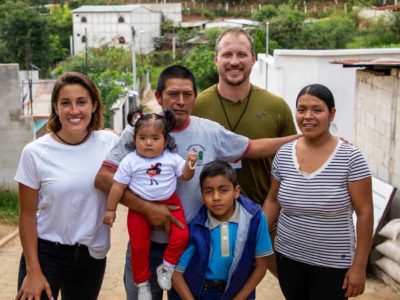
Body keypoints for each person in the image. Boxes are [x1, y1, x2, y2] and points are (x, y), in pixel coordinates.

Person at [94, 65, 300, 299]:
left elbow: (254, 147)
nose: (180, 101)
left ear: (195, 97)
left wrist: (302, 139)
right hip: (146, 247)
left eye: (187, 94)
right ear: (159, 97)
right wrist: (148, 209)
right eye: (173, 94)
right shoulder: (140, 132)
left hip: (190, 251)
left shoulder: (209, 131)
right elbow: (103, 178)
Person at [192, 27, 296, 276]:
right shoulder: (196, 106)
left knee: (294, 283)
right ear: (216, 59)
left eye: (242, 54)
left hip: (267, 218)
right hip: (209, 220)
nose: (234, 61)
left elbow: (295, 160)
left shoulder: (276, 107)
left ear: (253, 59)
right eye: (227, 54)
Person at [263, 84, 373, 300]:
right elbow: (272, 200)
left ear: (332, 114)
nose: (308, 116)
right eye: (302, 109)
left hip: (333, 263)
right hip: (287, 256)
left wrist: (359, 267)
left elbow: (365, 213)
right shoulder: (284, 154)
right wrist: (254, 237)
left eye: (317, 109)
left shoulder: (351, 158)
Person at [14, 72, 119, 300]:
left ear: (93, 105)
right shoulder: (35, 152)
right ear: (56, 107)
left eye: (81, 102)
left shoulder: (110, 144)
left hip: (91, 256)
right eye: (65, 103)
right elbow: (27, 216)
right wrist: (33, 271)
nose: (74, 110)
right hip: (45, 254)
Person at [103, 111, 197, 299]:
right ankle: (142, 282)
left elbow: (185, 176)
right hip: (139, 209)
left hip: (171, 203)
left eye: (155, 138)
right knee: (139, 246)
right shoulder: (130, 161)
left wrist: (190, 165)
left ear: (165, 140)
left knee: (183, 235)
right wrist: (110, 209)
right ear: (134, 139)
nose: (148, 143)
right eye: (142, 138)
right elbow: (117, 187)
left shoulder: (171, 158)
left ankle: (167, 267)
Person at [172, 160, 273, 300]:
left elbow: (261, 266)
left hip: (239, 293)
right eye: (208, 191)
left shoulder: (254, 218)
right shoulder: (196, 225)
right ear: (202, 195)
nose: (216, 197)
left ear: (236, 191)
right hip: (200, 293)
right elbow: (177, 274)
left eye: (223, 190)